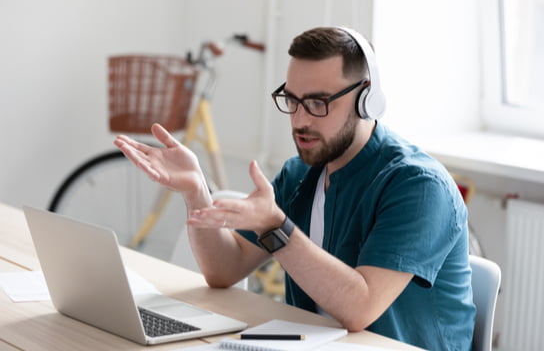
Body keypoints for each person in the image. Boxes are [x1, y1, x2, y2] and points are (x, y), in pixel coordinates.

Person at [114, 26, 476, 350]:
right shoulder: (302, 171)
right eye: (292, 100)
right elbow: (225, 270)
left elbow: (359, 309)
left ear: (367, 99)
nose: (300, 120)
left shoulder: (418, 186)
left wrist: (276, 227)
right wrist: (195, 193)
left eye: (318, 103)